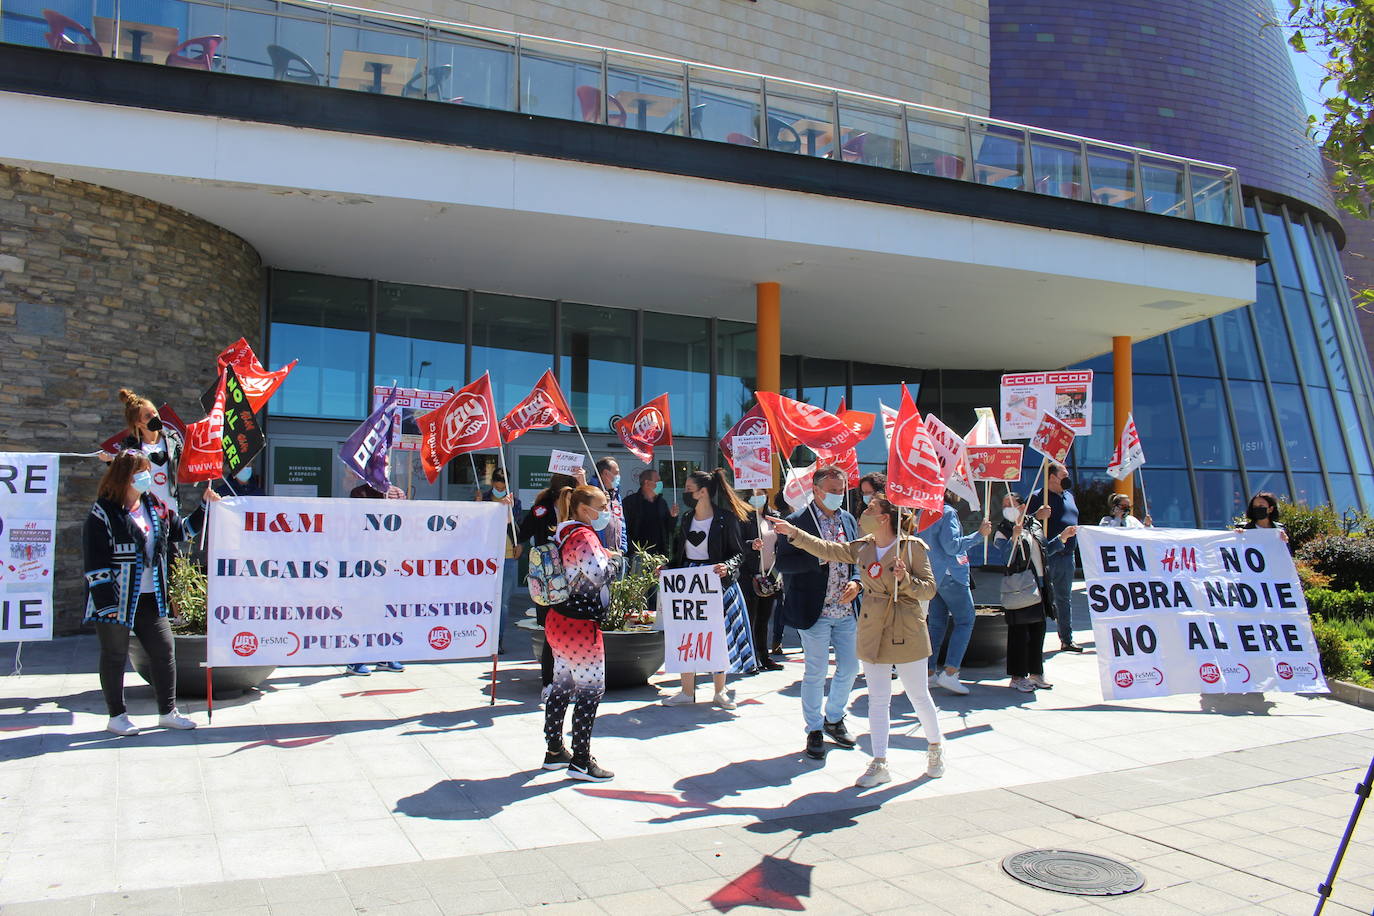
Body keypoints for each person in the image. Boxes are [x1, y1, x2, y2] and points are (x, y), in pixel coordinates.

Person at [774, 495, 945, 785]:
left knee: (918, 694)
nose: (862, 512)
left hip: (905, 626)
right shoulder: (864, 546)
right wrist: (794, 533)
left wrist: (904, 579)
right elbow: (829, 549)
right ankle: (879, 763)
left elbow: (928, 589)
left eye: (870, 509)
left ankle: (935, 748)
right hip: (871, 626)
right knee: (878, 700)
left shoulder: (911, 548)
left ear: (884, 518)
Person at [82, 451, 196, 735]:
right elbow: (94, 560)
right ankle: (116, 716)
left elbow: (181, 531)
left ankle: (168, 711)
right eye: (141, 471)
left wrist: (206, 508)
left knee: (164, 650)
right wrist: (105, 602)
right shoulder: (103, 512)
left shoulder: (154, 505)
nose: (147, 476)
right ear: (125, 476)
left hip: (150, 594)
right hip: (116, 598)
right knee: (114, 654)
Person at [774, 464, 862, 760]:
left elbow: (857, 558)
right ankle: (813, 729)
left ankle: (834, 717)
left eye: (842, 490)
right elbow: (783, 565)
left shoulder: (848, 520)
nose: (839, 495)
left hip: (846, 610)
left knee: (850, 667)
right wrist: (817, 561)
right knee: (816, 671)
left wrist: (857, 582)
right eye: (833, 490)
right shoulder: (797, 521)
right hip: (814, 609)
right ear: (817, 490)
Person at [661, 470, 759, 708]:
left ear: (702, 492)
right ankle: (686, 691)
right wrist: (668, 567)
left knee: (718, 636)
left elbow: (738, 552)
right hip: (689, 585)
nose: (685, 493)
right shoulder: (686, 518)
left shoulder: (726, 519)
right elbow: (679, 552)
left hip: (717, 584)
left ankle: (720, 690)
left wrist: (726, 566)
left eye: (688, 489)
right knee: (686, 633)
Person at [544, 483, 618, 781]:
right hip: (581, 623)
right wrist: (615, 561)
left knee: (561, 685)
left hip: (558, 618)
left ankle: (554, 750)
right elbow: (599, 574)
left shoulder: (563, 531)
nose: (606, 513)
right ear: (585, 510)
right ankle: (581, 761)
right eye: (602, 508)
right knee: (590, 691)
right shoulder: (585, 535)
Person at [988, 493, 1075, 693]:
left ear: (1022, 506)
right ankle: (1017, 676)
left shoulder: (1034, 524)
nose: (1007, 507)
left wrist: (1062, 537)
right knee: (1019, 633)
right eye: (1004, 504)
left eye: (1011, 504)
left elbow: (1045, 550)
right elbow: (1005, 557)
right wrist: (1014, 537)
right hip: (1020, 586)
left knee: (1038, 631)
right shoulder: (1004, 529)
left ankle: (1036, 673)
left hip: (1041, 584)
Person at [518, 470, 585, 697]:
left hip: (572, 581)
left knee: (571, 632)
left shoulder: (577, 513)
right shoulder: (543, 510)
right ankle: (549, 684)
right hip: (549, 583)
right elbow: (524, 531)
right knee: (551, 633)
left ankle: (568, 682)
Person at [925, 493, 994, 696]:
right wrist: (979, 534)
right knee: (965, 620)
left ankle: (930, 672)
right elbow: (952, 546)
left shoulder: (925, 510)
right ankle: (951, 671)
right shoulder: (947, 512)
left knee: (937, 624)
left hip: (934, 574)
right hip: (950, 573)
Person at [345, 481, 406, 675]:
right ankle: (356, 659)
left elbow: (405, 524)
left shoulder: (397, 493)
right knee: (363, 611)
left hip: (390, 560)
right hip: (365, 562)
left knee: (388, 611)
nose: (383, 468)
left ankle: (385, 656)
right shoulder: (359, 493)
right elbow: (355, 524)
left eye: (386, 464)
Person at [1026, 461, 1083, 653]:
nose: (1067, 479)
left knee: (1064, 598)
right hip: (1047, 554)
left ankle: (1066, 639)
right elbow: (1022, 524)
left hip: (1067, 556)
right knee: (1040, 599)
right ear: (1051, 477)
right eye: (1064, 476)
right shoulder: (1037, 497)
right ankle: (1034, 641)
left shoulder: (1069, 497)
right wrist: (1037, 515)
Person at [105, 389, 185, 510]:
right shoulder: (131, 445)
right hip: (143, 507)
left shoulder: (172, 439)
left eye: (155, 413)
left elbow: (187, 462)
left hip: (171, 506)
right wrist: (110, 461)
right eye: (148, 416)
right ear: (138, 423)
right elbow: (122, 473)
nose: (154, 417)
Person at [478, 468, 523, 654]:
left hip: (507, 556)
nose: (500, 484)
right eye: (497, 480)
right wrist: (478, 505)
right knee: (484, 599)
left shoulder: (515, 502)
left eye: (503, 480)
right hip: (486, 556)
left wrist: (520, 543)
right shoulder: (484, 499)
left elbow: (518, 526)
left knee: (503, 602)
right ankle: (482, 637)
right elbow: (477, 525)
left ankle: (498, 640)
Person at [742, 488, 785, 672]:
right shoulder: (742, 517)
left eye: (761, 493)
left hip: (770, 576)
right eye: (753, 494)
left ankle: (764, 656)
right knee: (750, 618)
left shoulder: (774, 517)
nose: (757, 497)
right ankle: (749, 658)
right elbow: (735, 544)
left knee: (764, 618)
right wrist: (750, 545)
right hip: (750, 574)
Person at [621, 468, 677, 556]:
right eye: (657, 481)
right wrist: (633, 552)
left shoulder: (662, 502)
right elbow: (624, 530)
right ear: (647, 483)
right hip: (638, 555)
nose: (660, 483)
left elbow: (669, 529)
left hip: (659, 555)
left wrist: (673, 517)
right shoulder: (630, 502)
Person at [595, 457, 627, 555]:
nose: (619, 476)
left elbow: (621, 522)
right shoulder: (592, 493)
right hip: (598, 554)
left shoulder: (616, 496)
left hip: (616, 554)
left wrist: (623, 548)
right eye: (616, 473)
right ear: (605, 473)